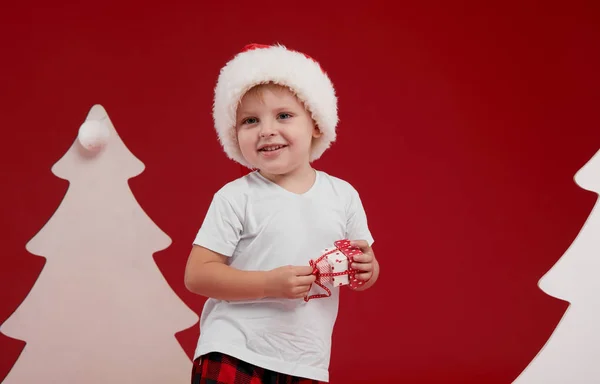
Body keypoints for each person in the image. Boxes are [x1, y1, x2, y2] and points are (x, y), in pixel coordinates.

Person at [184, 43, 380, 384]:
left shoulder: (342, 195)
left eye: (284, 115)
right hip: (234, 348)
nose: (266, 130)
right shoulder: (236, 197)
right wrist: (267, 284)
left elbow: (363, 263)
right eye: (249, 121)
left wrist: (368, 269)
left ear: (316, 123)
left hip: (305, 358)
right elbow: (197, 275)